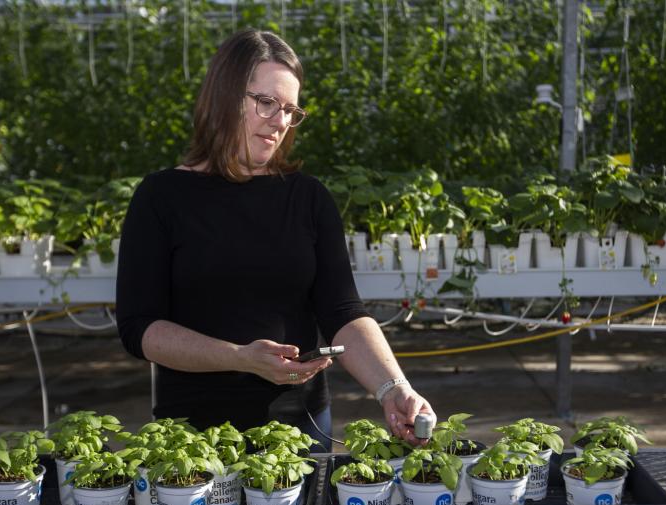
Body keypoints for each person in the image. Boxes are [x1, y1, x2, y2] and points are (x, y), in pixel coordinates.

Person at [116, 29, 434, 451]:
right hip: (192, 439)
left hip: (299, 432)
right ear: (225, 96)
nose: (280, 121)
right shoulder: (161, 197)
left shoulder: (308, 198)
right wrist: (238, 357)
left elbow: (342, 311)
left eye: (290, 110)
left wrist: (394, 388)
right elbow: (139, 327)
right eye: (266, 102)